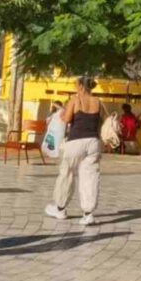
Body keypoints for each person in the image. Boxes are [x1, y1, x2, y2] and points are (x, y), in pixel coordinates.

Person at [44, 77, 101, 226]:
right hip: (94, 142)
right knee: (90, 176)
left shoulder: (75, 99)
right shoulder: (97, 101)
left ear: (81, 86)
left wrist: (61, 115)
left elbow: (67, 119)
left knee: (67, 173)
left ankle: (60, 209)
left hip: (76, 141)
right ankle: (88, 214)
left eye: (76, 85)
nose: (75, 88)